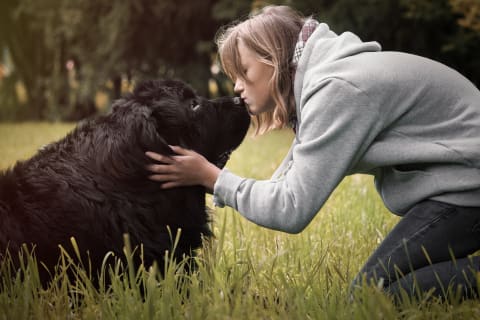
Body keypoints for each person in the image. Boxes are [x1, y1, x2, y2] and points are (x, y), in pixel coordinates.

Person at [145, 5, 480, 299]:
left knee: (370, 294)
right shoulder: (326, 81)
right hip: (461, 181)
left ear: (274, 60)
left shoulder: (337, 89)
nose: (236, 87)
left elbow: (291, 208)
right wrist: (214, 181)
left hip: (468, 187)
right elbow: (284, 182)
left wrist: (212, 177)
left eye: (244, 72)